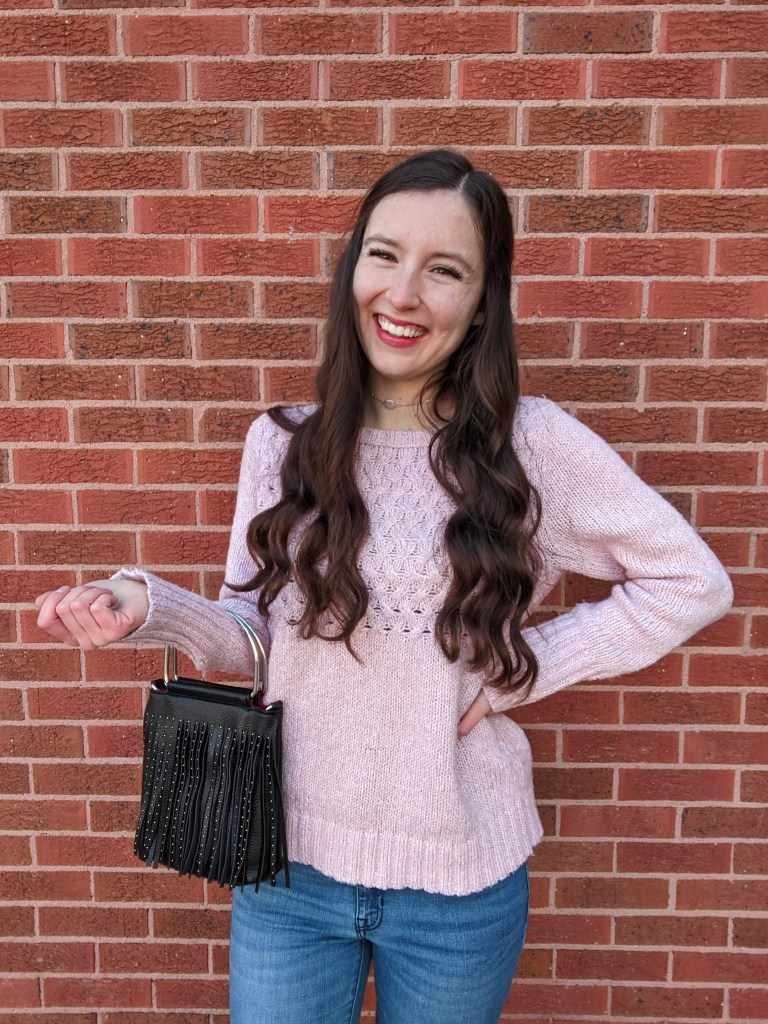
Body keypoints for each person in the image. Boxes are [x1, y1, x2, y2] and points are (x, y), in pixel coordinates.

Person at [35, 149, 733, 1024]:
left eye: (445, 270)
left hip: (458, 886)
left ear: (483, 303)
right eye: (384, 254)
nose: (403, 294)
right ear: (353, 268)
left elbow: (690, 580)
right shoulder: (282, 442)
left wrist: (521, 671)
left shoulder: (532, 447)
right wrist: (149, 607)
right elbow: (254, 637)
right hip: (287, 867)